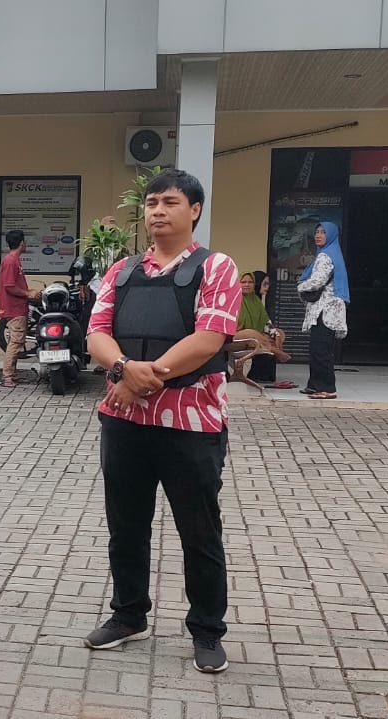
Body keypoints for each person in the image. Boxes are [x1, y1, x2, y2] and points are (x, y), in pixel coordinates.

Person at [83, 169, 238, 674]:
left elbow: (208, 339)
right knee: (126, 526)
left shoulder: (216, 267)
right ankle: (128, 615)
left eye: (170, 202)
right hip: (124, 421)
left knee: (199, 531)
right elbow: (97, 334)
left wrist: (140, 379)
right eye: (151, 203)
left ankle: (207, 630)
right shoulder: (122, 271)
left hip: (191, 423)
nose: (157, 211)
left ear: (194, 210)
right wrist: (123, 369)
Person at [297, 222, 349, 399]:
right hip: (328, 309)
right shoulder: (332, 253)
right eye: (317, 232)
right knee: (317, 348)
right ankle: (314, 385)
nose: (318, 235)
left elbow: (318, 281)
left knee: (321, 350)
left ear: (331, 235)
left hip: (325, 310)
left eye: (323, 232)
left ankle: (327, 388)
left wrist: (300, 286)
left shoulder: (325, 256)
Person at [0, 230, 40, 387]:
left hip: (18, 307)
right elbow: (9, 286)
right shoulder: (10, 261)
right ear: (21, 243)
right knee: (15, 342)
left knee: (15, 341)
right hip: (14, 308)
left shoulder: (14, 260)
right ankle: (7, 377)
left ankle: (12, 375)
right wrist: (28, 294)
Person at [235, 272, 291, 363]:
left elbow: (265, 321)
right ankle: (273, 349)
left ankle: (272, 348)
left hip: (256, 333)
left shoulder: (256, 300)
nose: (247, 285)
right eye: (243, 282)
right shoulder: (234, 299)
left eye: (250, 282)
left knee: (279, 332)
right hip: (237, 334)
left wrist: (275, 334)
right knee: (251, 333)